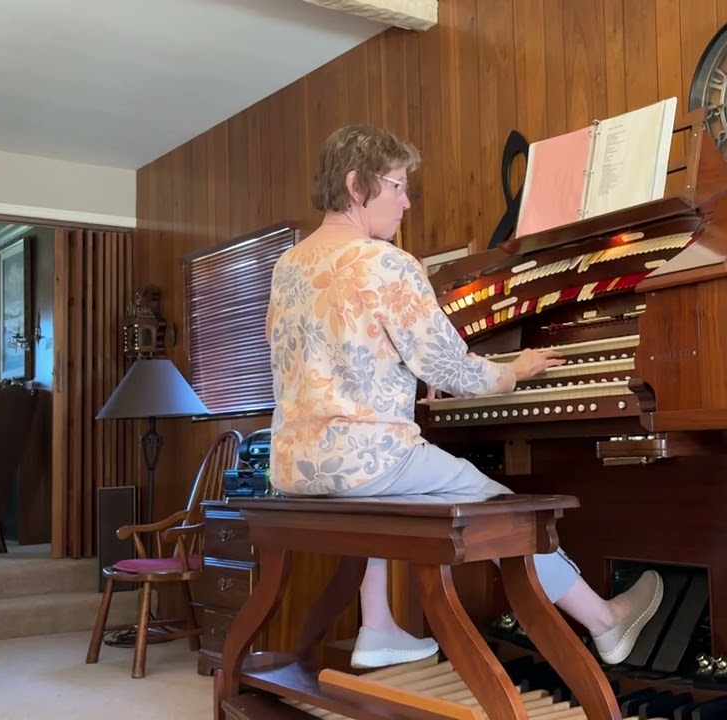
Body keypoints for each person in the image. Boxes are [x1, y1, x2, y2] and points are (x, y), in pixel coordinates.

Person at [265, 124, 663, 670]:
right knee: (500, 508)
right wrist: (513, 370)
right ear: (358, 185)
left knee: (386, 492)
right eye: (399, 186)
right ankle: (603, 620)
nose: (406, 203)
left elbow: (324, 357)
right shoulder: (387, 262)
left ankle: (378, 625)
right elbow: (450, 366)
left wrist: (405, 368)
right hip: (364, 460)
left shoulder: (287, 266)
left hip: (295, 465)